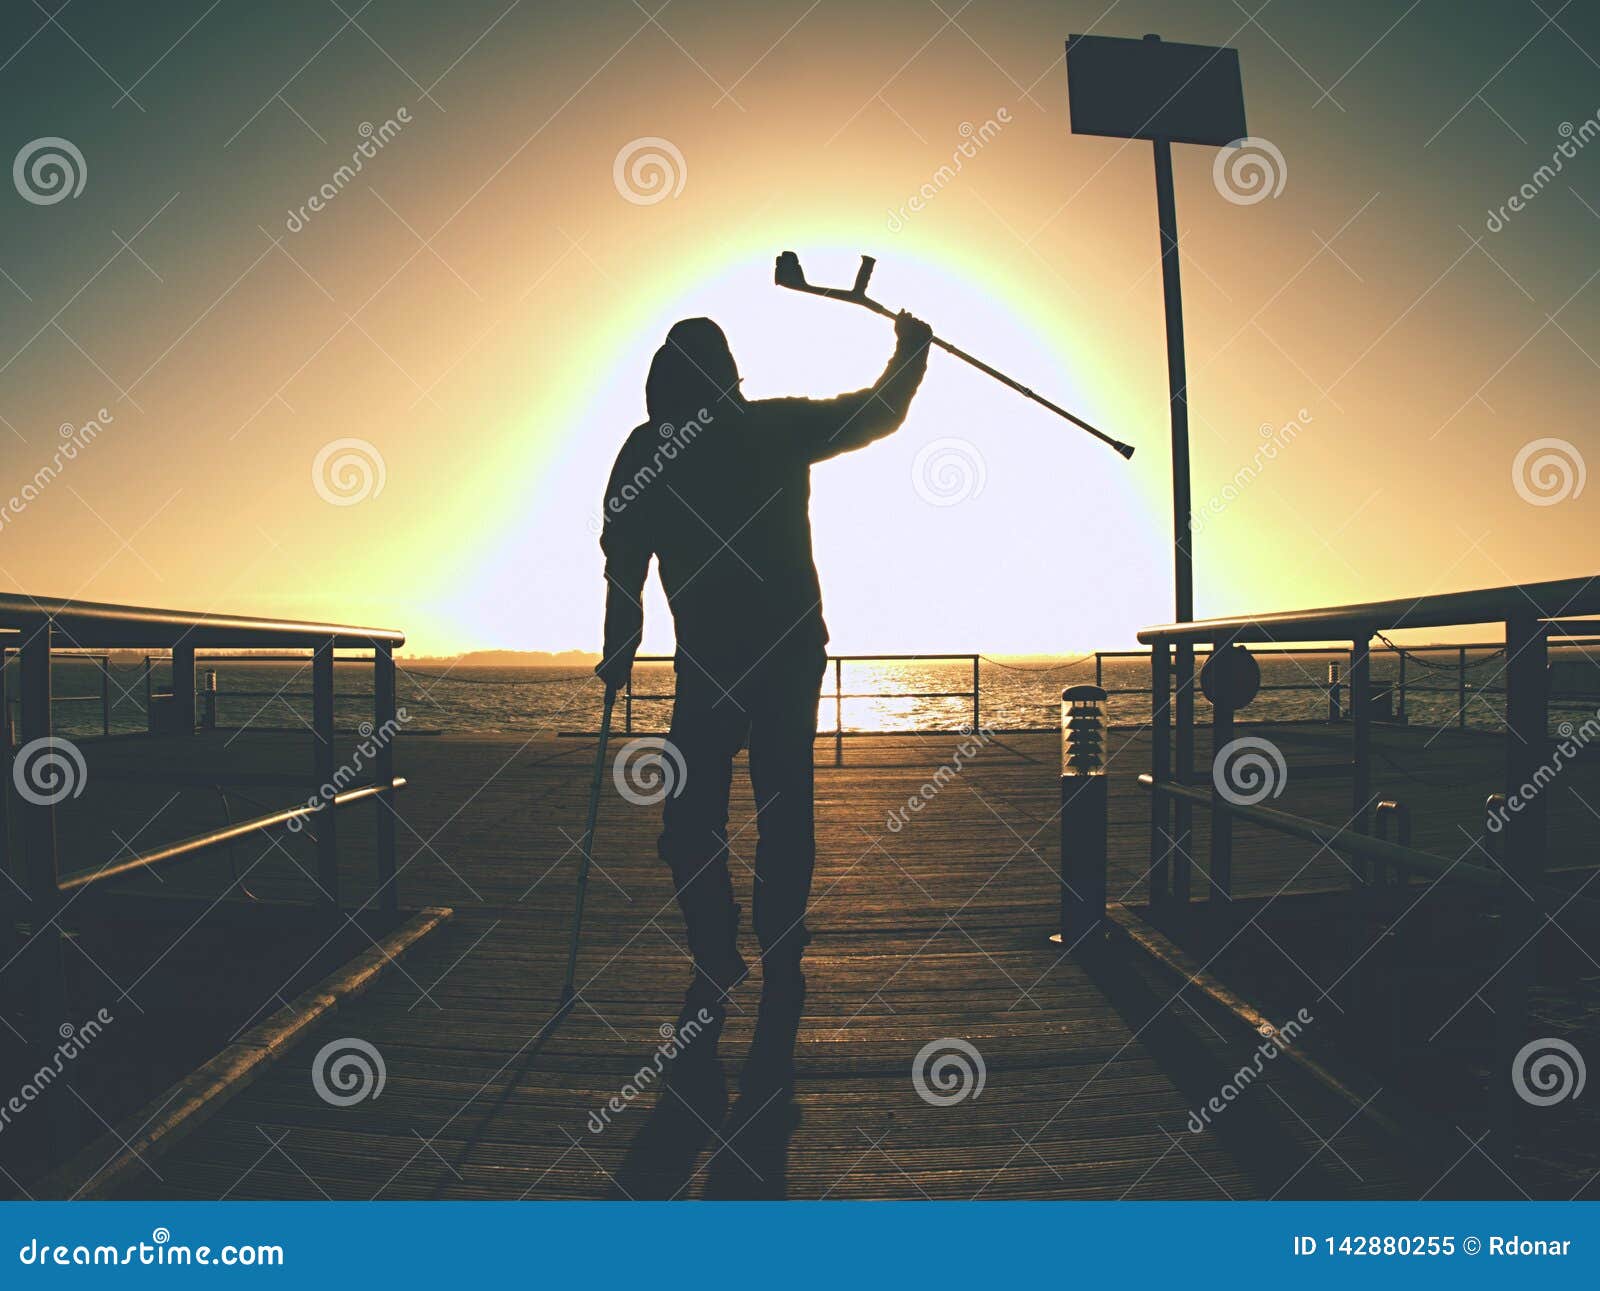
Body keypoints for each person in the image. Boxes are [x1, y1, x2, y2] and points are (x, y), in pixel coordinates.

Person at [596, 309, 933, 1036]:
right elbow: (878, 412)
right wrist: (911, 349)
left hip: (715, 662)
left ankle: (719, 955)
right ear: (728, 380)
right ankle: (773, 956)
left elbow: (624, 562)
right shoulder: (770, 429)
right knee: (781, 809)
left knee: (693, 820)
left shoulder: (647, 451)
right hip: (782, 653)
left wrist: (620, 644)